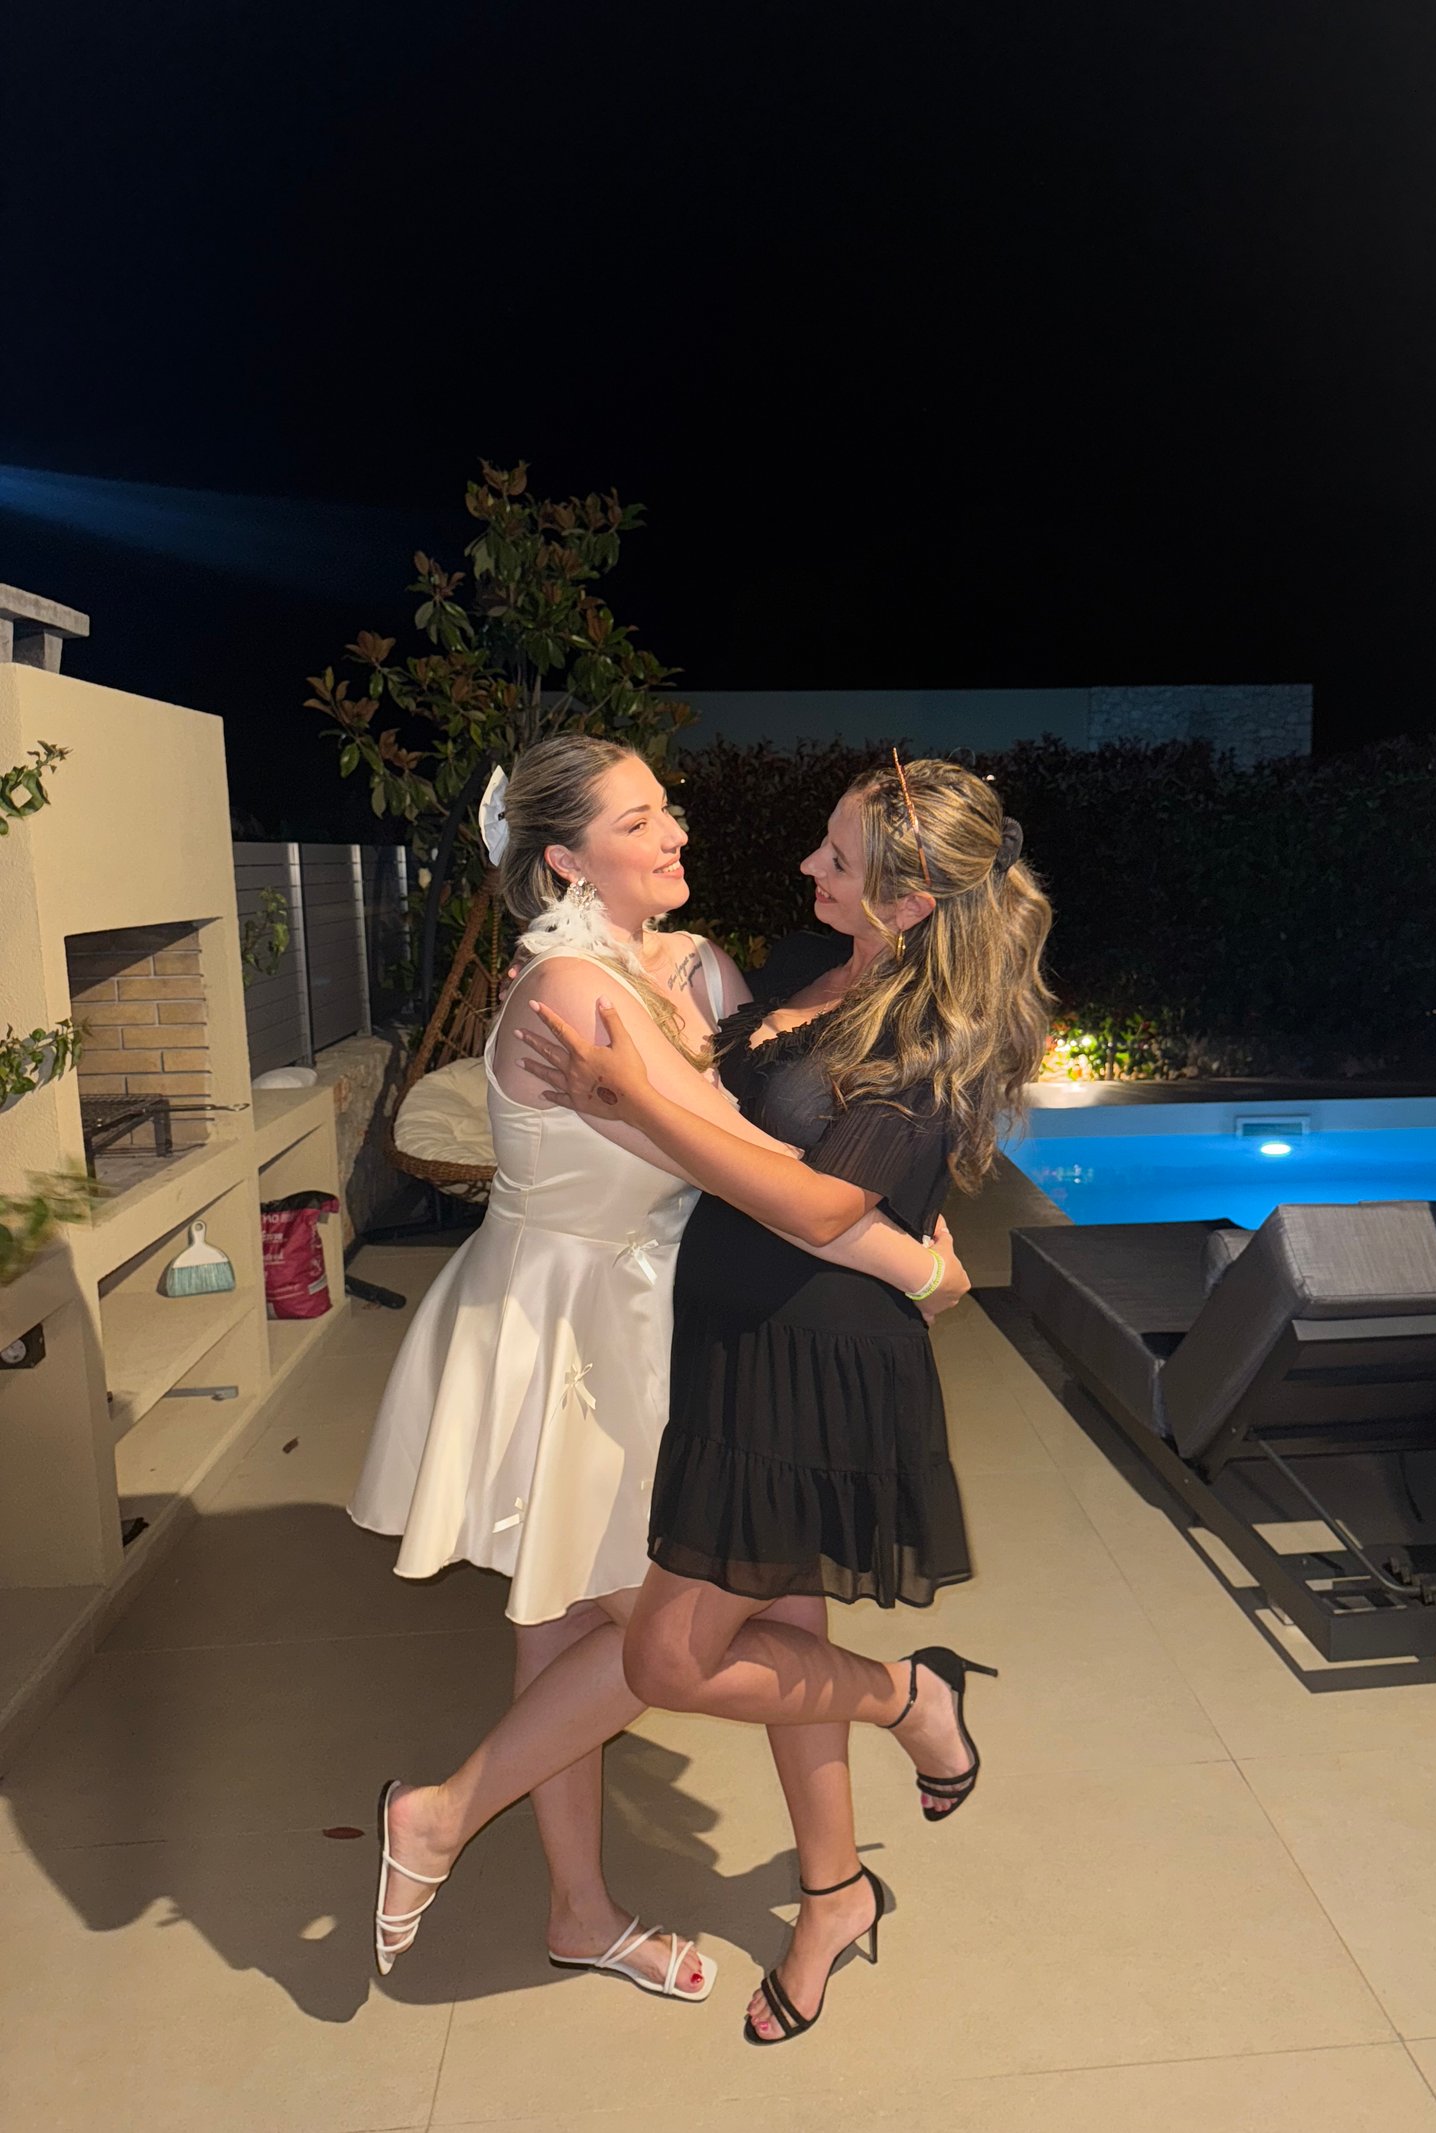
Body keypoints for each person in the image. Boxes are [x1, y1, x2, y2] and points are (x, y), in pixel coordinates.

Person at [374, 754, 1052, 2045]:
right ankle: (827, 1870)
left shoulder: (915, 1030)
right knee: (709, 1618)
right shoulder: (786, 966)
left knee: (675, 1647)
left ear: (911, 902)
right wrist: (917, 1254)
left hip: (797, 1348)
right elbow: (751, 1144)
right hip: (686, 1332)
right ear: (567, 858)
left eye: (838, 859)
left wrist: (916, 1262)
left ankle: (891, 1727)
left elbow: (807, 1192)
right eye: (643, 817)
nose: (806, 866)